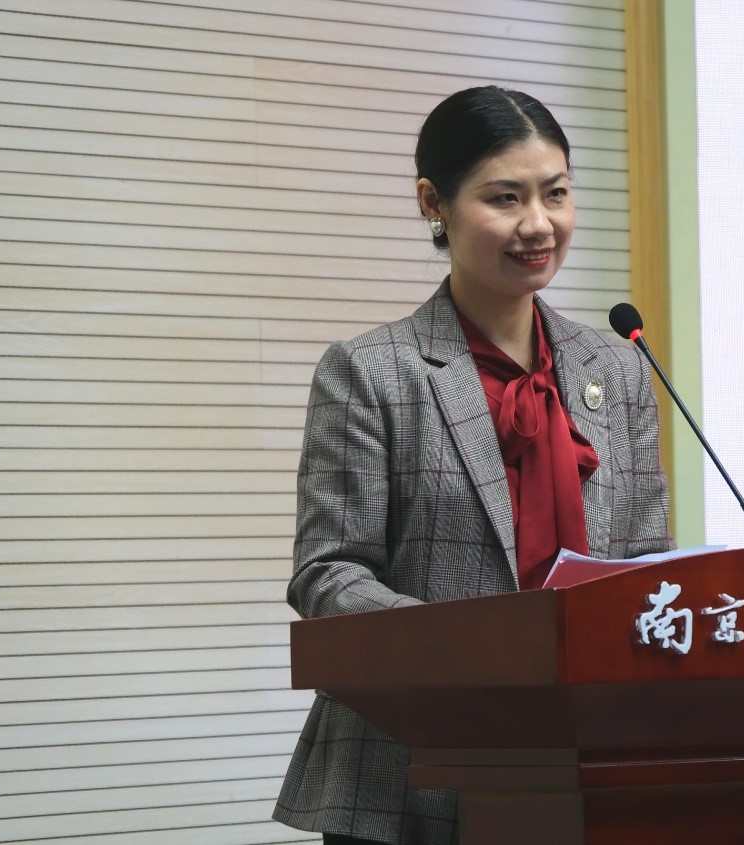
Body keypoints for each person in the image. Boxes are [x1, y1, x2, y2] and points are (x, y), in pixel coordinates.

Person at [273, 85, 674, 845]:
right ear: (434, 202)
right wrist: (478, 649)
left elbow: (646, 558)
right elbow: (327, 573)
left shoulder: (617, 368)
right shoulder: (370, 371)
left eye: (556, 193)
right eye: (505, 198)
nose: (539, 223)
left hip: (589, 767)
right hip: (407, 773)